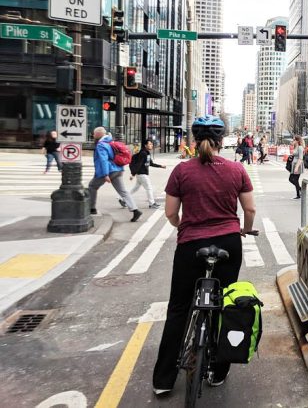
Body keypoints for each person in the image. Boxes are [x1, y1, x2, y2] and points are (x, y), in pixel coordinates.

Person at [152, 114, 256, 394]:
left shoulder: (182, 171)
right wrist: (244, 230)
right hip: (228, 244)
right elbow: (250, 210)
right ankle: (219, 372)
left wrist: (182, 226)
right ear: (222, 140)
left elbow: (171, 213)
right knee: (225, 306)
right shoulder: (236, 169)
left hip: (191, 246)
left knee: (178, 309)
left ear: (194, 140)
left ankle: (163, 381)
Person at [88, 127, 142, 222]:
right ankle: (135, 210)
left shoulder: (101, 145)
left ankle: (92, 208)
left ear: (99, 134)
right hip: (118, 169)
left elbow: (103, 160)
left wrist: (105, 174)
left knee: (92, 186)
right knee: (123, 191)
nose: (93, 135)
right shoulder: (111, 142)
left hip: (109, 171)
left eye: (94, 133)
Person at [125, 140, 166, 209]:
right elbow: (139, 164)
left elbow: (151, 163)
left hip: (141, 174)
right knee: (149, 188)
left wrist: (160, 166)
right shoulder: (143, 153)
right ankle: (151, 203)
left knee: (135, 188)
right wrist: (133, 174)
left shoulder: (147, 153)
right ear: (145, 145)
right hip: (142, 174)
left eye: (151, 144)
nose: (151, 145)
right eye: (150, 144)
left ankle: (122, 199)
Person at [289, 135, 304, 199]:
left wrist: (296, 167)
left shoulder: (300, 147)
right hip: (294, 164)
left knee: (293, 179)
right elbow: (295, 155)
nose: (293, 141)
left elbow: (300, 158)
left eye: (294, 140)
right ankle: (298, 194)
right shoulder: (296, 147)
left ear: (297, 141)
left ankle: (300, 190)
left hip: (298, 165)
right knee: (295, 180)